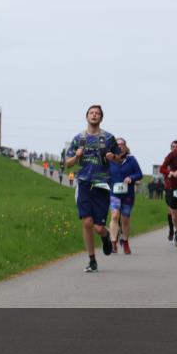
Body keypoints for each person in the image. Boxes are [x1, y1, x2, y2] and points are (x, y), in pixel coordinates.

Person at [64, 105, 122, 272]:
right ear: (87, 116)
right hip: (83, 183)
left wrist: (113, 157)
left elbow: (119, 158)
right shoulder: (78, 138)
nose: (94, 115)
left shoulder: (109, 138)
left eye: (97, 113)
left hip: (101, 185)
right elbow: (68, 163)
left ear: (101, 118)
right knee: (87, 223)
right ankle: (92, 260)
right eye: (91, 113)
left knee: (98, 227)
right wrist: (77, 156)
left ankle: (106, 236)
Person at [108, 137, 143, 255]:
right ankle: (113, 243)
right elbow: (103, 173)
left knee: (125, 218)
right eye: (117, 145)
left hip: (128, 194)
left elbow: (139, 174)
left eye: (122, 144)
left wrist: (131, 178)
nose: (120, 146)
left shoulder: (131, 160)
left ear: (125, 146)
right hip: (114, 193)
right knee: (114, 215)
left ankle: (125, 241)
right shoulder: (109, 160)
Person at [163, 140, 177, 241]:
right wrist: (169, 173)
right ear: (171, 148)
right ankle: (171, 229)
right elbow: (163, 169)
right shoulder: (168, 158)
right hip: (169, 187)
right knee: (171, 211)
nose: (175, 148)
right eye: (173, 147)